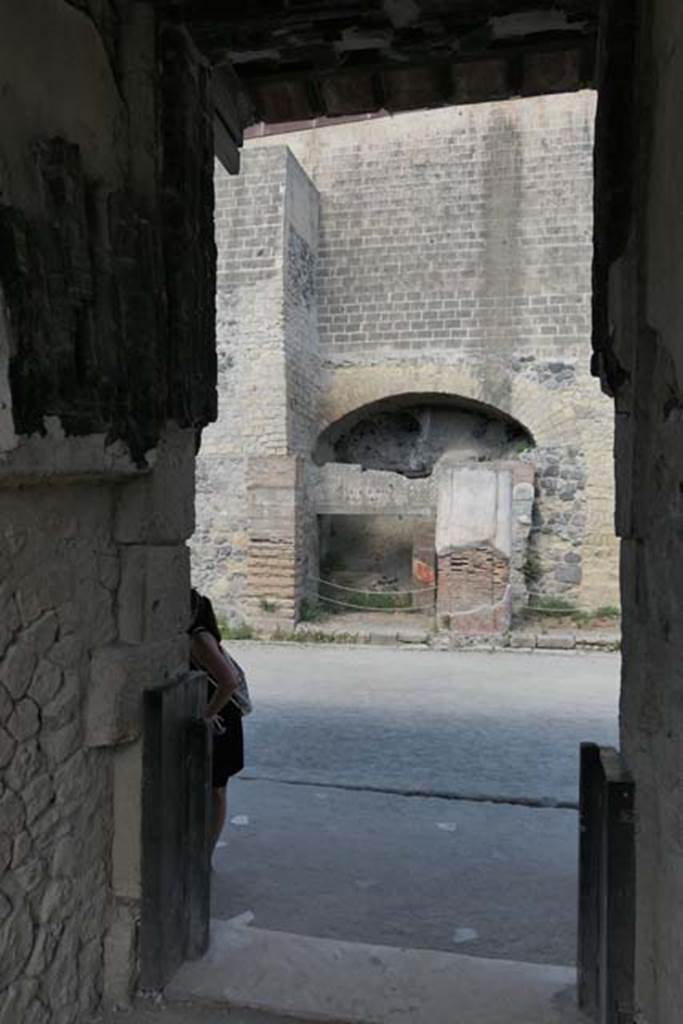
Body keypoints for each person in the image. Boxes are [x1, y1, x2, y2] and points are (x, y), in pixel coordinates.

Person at [189, 588, 245, 856]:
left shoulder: (198, 637)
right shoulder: (197, 635)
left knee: (216, 789)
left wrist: (207, 714)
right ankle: (203, 852)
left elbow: (229, 681)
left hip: (222, 718)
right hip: (221, 715)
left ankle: (206, 855)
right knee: (214, 789)